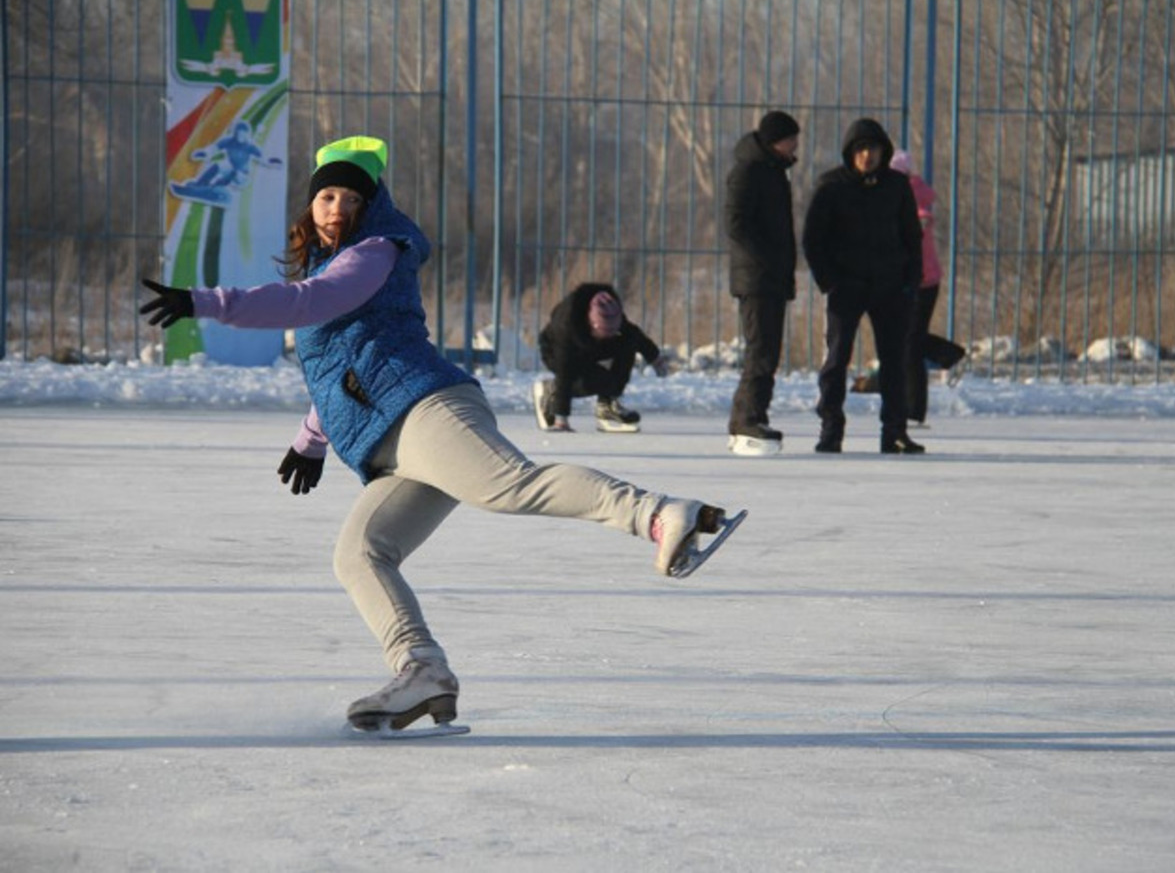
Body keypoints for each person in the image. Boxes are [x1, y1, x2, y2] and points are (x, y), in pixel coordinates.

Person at [139, 135, 738, 732]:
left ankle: (659, 515)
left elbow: (312, 301)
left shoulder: (376, 250)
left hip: (426, 408)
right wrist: (310, 439)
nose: (337, 209)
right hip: (392, 443)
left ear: (370, 206)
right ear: (310, 206)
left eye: (351, 198)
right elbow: (342, 362)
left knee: (510, 486)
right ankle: (421, 668)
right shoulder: (332, 260)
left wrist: (208, 302)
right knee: (360, 555)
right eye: (326, 197)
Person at [801, 118, 925, 455]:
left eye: (873, 149)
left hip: (890, 286)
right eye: (860, 149)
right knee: (836, 360)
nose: (867, 155)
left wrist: (910, 283)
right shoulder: (831, 186)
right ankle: (830, 429)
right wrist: (829, 280)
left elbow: (913, 237)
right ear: (850, 153)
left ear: (884, 152)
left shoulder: (897, 186)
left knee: (894, 362)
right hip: (846, 286)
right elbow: (813, 239)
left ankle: (895, 432)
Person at [724, 110, 801, 456]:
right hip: (757, 278)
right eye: (790, 140)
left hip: (770, 277)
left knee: (767, 352)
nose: (794, 146)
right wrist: (766, 259)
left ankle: (754, 415)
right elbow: (736, 223)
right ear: (774, 141)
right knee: (760, 351)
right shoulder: (749, 172)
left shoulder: (772, 172)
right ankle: (746, 419)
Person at [534, 283, 668, 433]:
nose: (609, 335)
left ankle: (608, 406)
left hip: (591, 347)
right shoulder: (567, 323)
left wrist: (655, 358)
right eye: (604, 331)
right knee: (592, 382)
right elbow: (565, 371)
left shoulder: (611, 310)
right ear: (592, 323)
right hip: (555, 351)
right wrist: (561, 419)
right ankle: (551, 391)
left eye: (612, 331)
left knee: (627, 343)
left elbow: (634, 335)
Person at [890, 149, 945, 428]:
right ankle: (911, 406)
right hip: (923, 279)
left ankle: (913, 409)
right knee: (910, 341)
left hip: (920, 280)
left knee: (911, 344)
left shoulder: (907, 199)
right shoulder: (912, 195)